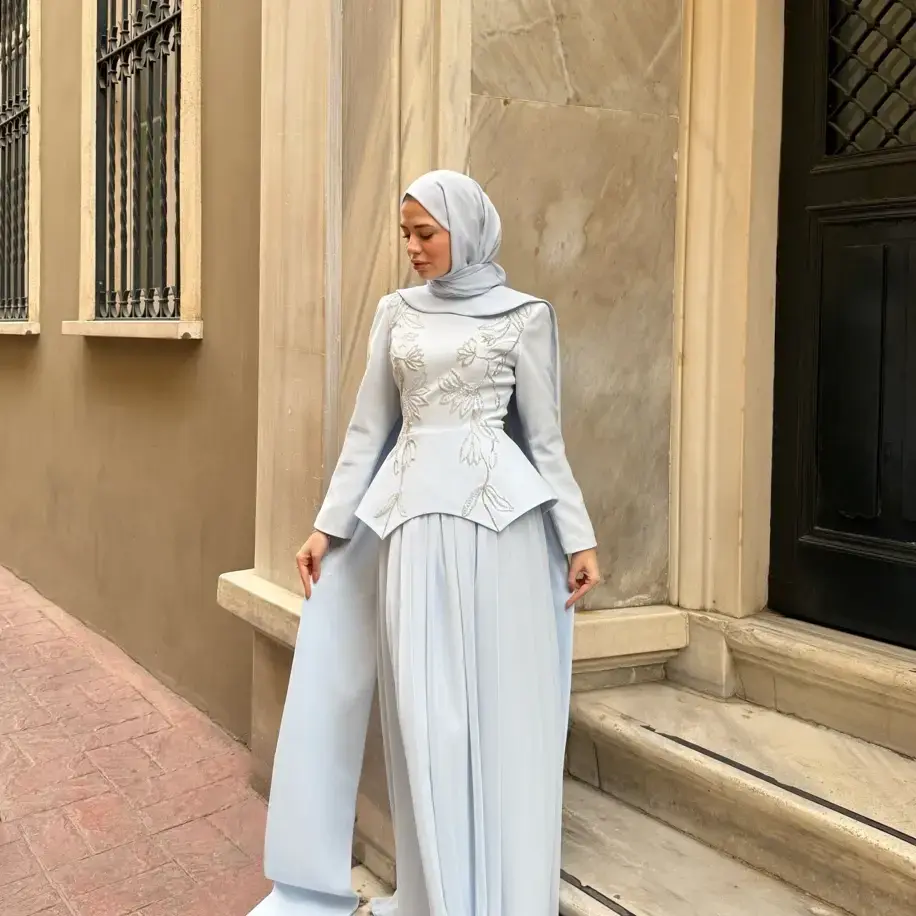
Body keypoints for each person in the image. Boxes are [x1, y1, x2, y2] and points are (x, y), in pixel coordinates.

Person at [249, 170, 600, 916]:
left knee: (493, 712)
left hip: (501, 537)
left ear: (464, 231)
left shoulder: (526, 317)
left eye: (425, 233)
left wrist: (579, 539)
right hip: (410, 531)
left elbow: (545, 441)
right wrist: (326, 526)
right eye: (405, 233)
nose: (412, 247)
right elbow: (367, 432)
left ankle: (497, 892)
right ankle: (438, 895)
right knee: (423, 716)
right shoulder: (395, 313)